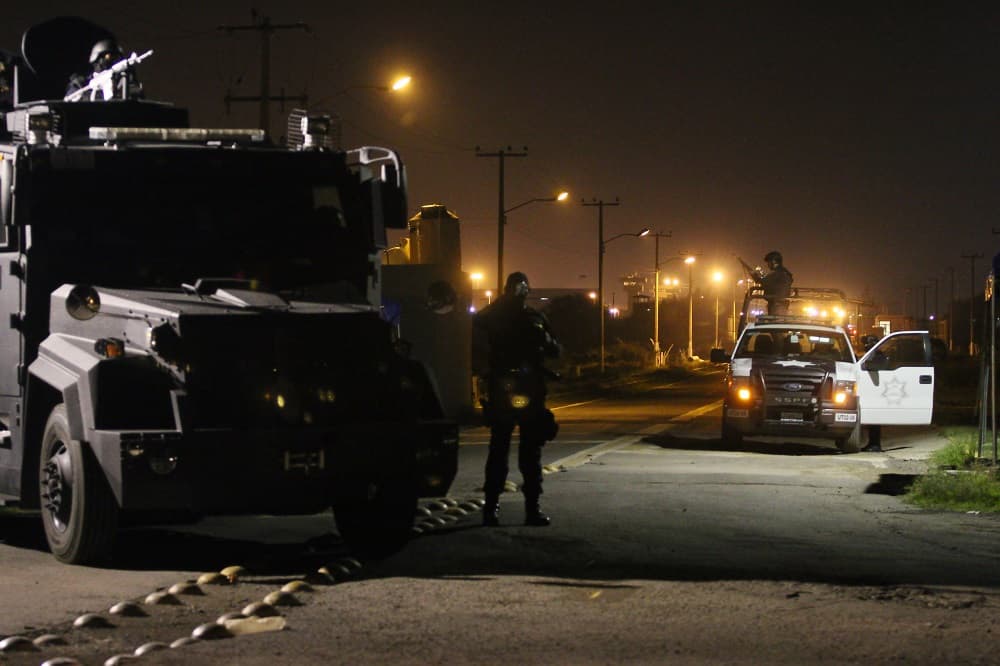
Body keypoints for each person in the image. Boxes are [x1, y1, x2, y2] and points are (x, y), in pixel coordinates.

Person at [473, 271, 561, 527]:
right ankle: (507, 508)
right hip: (511, 388)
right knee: (510, 451)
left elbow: (555, 349)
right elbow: (476, 343)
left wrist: (544, 340)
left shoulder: (528, 317)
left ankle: (517, 508)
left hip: (520, 388)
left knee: (517, 451)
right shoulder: (498, 316)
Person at [758, 250, 793, 315]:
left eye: (768, 263)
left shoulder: (778, 273)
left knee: (776, 320)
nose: (768, 265)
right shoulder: (783, 272)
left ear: (773, 262)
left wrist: (754, 275)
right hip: (779, 305)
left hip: (777, 306)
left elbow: (763, 281)